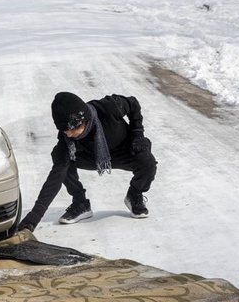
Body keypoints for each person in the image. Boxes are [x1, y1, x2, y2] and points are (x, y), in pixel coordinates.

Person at [16, 91, 157, 232]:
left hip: (123, 150)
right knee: (59, 158)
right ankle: (80, 203)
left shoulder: (108, 107)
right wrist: (32, 219)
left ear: (85, 120)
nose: (70, 134)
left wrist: (137, 136)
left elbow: (133, 104)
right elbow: (55, 179)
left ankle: (134, 195)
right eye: (66, 131)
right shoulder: (66, 141)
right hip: (91, 157)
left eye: (74, 129)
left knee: (147, 162)